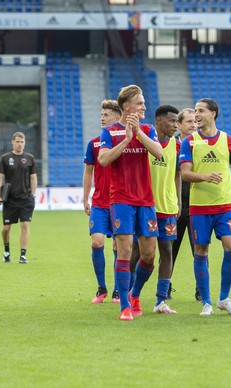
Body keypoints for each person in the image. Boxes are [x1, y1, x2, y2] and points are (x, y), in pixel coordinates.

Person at [98, 85, 163, 321]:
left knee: (149, 256)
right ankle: (125, 306)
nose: (144, 106)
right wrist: (125, 140)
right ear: (126, 106)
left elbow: (159, 153)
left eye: (144, 103)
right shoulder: (111, 133)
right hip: (121, 199)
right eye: (140, 103)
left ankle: (135, 295)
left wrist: (138, 134)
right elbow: (103, 160)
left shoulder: (148, 129)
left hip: (145, 200)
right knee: (124, 250)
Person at [180, 98, 231, 316]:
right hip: (199, 207)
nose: (196, 115)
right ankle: (207, 302)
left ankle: (224, 298)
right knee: (201, 250)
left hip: (225, 205)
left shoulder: (229, 141)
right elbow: (185, 173)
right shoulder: (189, 142)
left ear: (213, 113)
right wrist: (204, 176)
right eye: (195, 111)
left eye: (201, 111)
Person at [142, 104, 180, 314]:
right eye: (172, 121)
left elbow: (177, 174)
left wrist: (178, 202)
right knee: (140, 252)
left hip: (167, 207)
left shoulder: (177, 145)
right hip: (146, 206)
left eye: (177, 121)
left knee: (166, 250)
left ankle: (160, 300)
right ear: (159, 121)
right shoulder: (146, 142)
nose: (176, 125)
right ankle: (127, 292)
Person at [83, 100, 122, 304]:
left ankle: (117, 290)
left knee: (118, 246)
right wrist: (85, 197)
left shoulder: (126, 141)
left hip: (120, 202)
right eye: (101, 114)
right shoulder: (95, 143)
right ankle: (101, 288)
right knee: (97, 242)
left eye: (106, 114)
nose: (102, 117)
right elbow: (88, 171)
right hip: (99, 202)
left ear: (117, 118)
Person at [0, 132, 37, 264]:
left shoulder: (30, 158)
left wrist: (33, 193)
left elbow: (33, 177)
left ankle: (23, 255)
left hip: (26, 199)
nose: (20, 144)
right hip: (10, 199)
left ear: (25, 143)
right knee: (6, 228)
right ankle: (6, 250)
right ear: (12, 142)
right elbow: (0, 177)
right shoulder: (5, 158)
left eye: (22, 142)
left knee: (25, 225)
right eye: (17, 142)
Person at [170, 108, 197, 300]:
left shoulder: (202, 145)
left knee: (199, 248)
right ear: (179, 125)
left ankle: (200, 288)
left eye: (195, 121)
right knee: (170, 248)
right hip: (175, 207)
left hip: (197, 205)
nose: (193, 125)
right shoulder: (171, 145)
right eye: (189, 121)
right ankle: (165, 285)